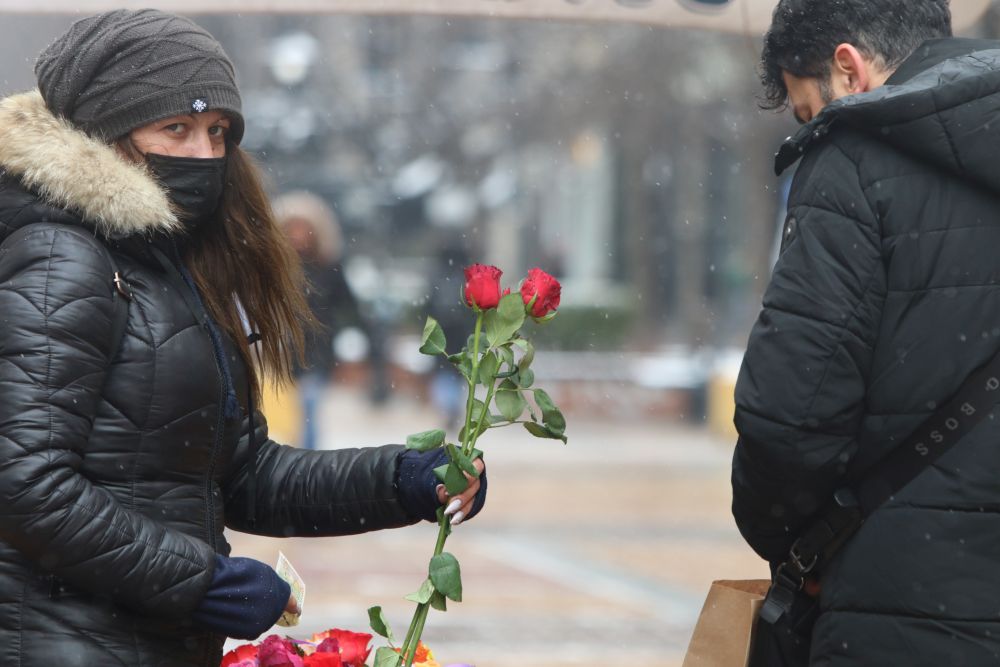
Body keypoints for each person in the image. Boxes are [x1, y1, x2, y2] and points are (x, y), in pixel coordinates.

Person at [0, 10, 485, 666]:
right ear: (107, 132)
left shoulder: (168, 262)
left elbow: (243, 471)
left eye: (217, 131)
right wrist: (202, 583)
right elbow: (23, 484)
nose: (205, 154)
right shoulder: (66, 256)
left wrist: (401, 479)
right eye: (177, 127)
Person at [730, 0, 1000, 664]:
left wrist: (794, 538)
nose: (813, 127)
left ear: (848, 69)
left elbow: (788, 418)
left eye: (806, 110)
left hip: (904, 605)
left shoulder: (854, 157)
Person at [274, 191, 366, 450]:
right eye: (292, 228)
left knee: (308, 409)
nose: (298, 235)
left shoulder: (329, 269)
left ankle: (305, 460)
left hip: (316, 353)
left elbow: (349, 308)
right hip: (278, 353)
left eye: (304, 228)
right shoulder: (275, 268)